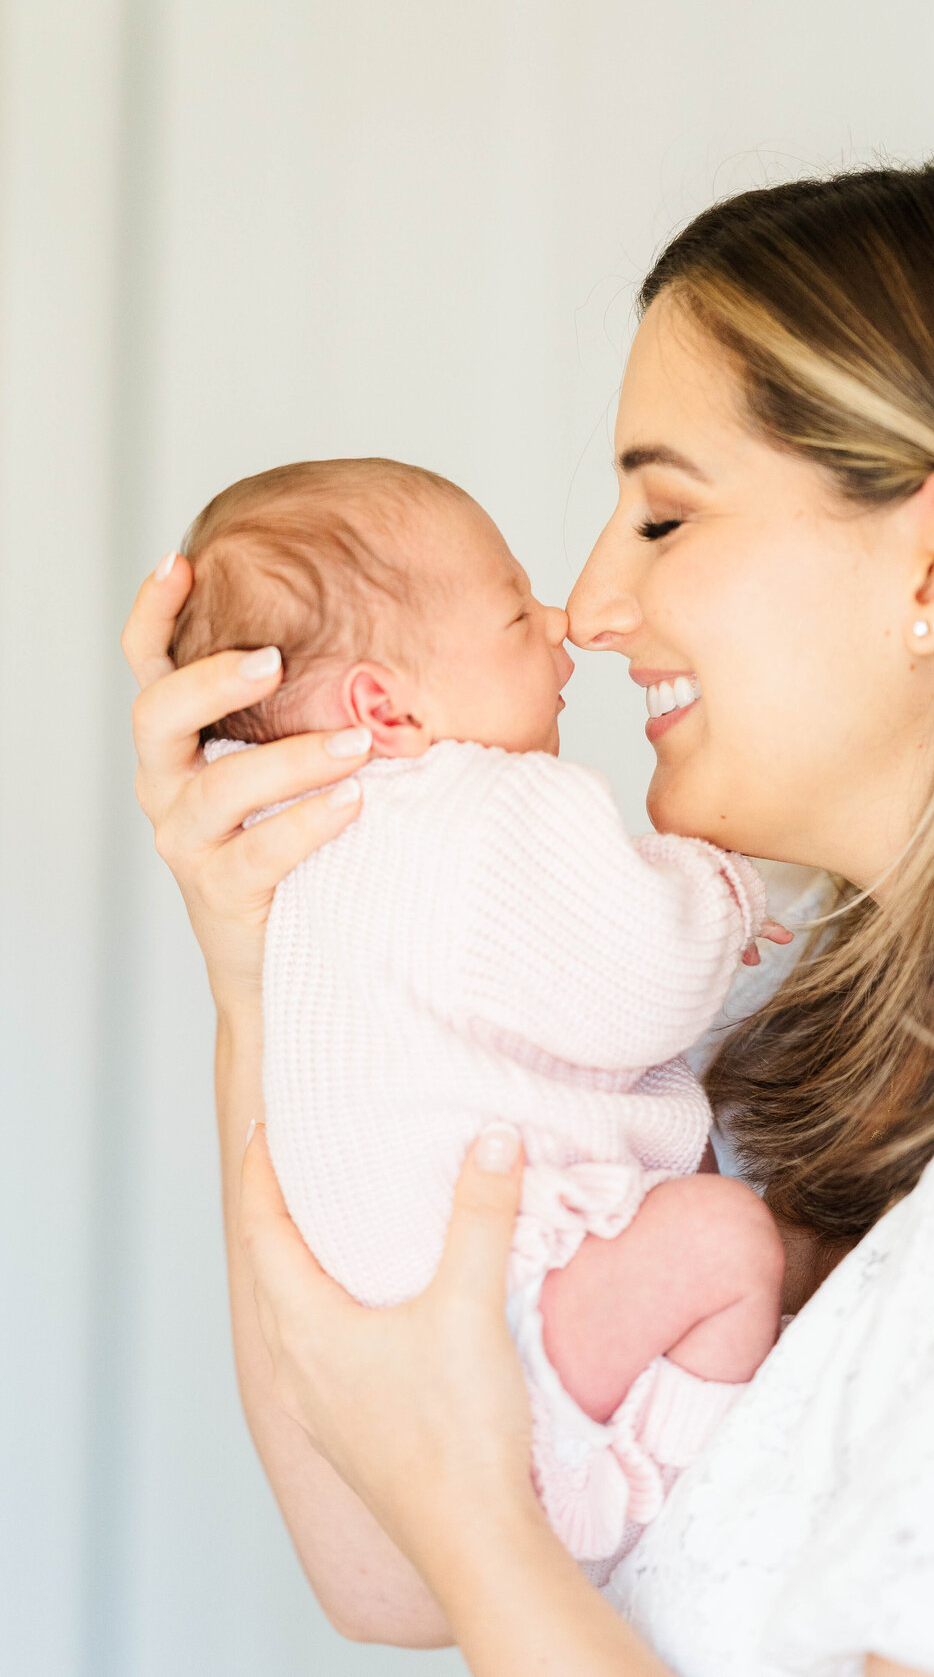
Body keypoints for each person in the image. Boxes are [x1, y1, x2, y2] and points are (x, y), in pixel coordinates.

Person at [122, 153, 934, 1676]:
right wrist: (259, 964)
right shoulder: (761, 1078)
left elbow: (461, 1535)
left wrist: (477, 1529)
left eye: (664, 519)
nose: (590, 606)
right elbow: (387, 1569)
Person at [170, 454, 789, 1566]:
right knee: (724, 1241)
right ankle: (661, 1464)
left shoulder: (314, 854)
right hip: (513, 1305)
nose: (565, 620)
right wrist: (729, 886)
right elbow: (642, 976)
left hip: (413, 1331)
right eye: (515, 611)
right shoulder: (486, 808)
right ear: (383, 705)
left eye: (662, 515)